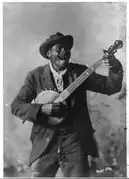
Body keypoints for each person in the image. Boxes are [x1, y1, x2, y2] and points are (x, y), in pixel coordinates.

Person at [11, 32, 123, 177]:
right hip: (45, 143)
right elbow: (16, 106)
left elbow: (110, 87)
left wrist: (115, 67)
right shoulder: (35, 76)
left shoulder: (80, 72)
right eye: (59, 49)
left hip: (75, 142)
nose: (64, 52)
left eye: (67, 49)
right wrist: (40, 109)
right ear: (48, 53)